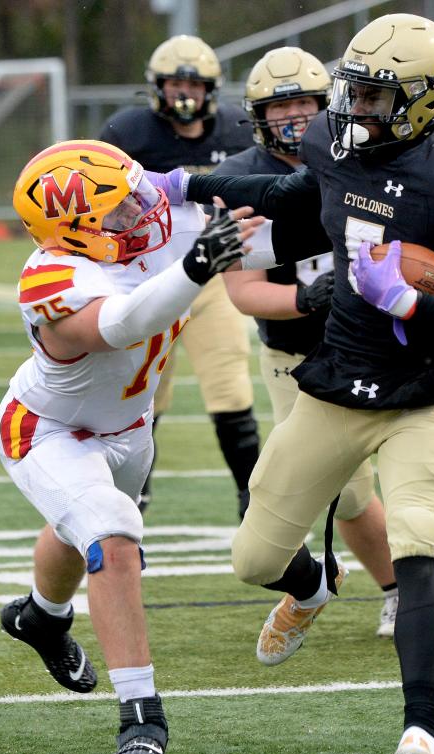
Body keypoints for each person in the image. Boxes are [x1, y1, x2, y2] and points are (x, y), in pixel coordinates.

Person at [152, 15, 434, 754]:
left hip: (425, 392)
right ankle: (313, 587)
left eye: (377, 94)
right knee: (254, 559)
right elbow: (282, 193)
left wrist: (412, 302)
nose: (352, 106)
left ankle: (421, 731)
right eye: (355, 88)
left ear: (424, 98)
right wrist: (189, 183)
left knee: (417, 543)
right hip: (333, 388)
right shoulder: (335, 145)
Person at [0, 139, 262, 754]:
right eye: (116, 209)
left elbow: (267, 238)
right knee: (114, 531)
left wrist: (357, 215)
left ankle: (41, 617)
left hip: (128, 426)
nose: (137, 212)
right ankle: (141, 716)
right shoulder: (51, 277)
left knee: (78, 524)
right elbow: (119, 325)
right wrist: (198, 266)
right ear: (77, 228)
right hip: (46, 428)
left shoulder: (155, 229)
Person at [218, 45, 434, 640]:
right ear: (257, 115)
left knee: (412, 470)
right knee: (351, 488)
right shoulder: (246, 175)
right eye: (278, 106)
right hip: (300, 354)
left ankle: (425, 565)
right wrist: (304, 299)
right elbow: (240, 289)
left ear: (330, 103)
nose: (292, 118)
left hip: (391, 347)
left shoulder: (379, 159)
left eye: (304, 103)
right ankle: (394, 586)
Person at [99, 35, 259, 518]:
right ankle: (133, 493)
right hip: (146, 278)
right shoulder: (128, 131)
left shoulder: (236, 128)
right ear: (157, 87)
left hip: (212, 278)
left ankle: (252, 496)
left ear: (211, 88)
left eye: (194, 83)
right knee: (146, 390)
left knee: (230, 385)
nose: (184, 93)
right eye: (175, 83)